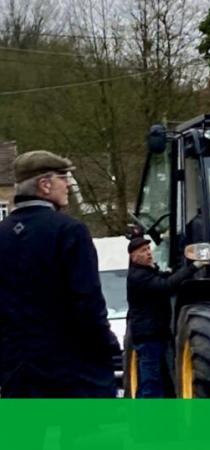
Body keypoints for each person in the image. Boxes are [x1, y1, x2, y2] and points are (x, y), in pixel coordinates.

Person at [0, 150, 120, 398]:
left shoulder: (2, 235)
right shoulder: (69, 231)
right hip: (71, 367)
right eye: (63, 178)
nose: (68, 185)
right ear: (45, 185)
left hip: (17, 368)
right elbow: (87, 300)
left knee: (24, 437)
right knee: (79, 435)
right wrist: (105, 343)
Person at [126, 236, 204, 398]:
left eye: (148, 249)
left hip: (158, 334)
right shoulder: (139, 277)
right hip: (148, 337)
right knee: (151, 383)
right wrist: (193, 268)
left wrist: (186, 268)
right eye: (143, 251)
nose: (148, 253)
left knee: (164, 381)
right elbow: (165, 286)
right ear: (133, 257)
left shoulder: (149, 272)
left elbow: (168, 278)